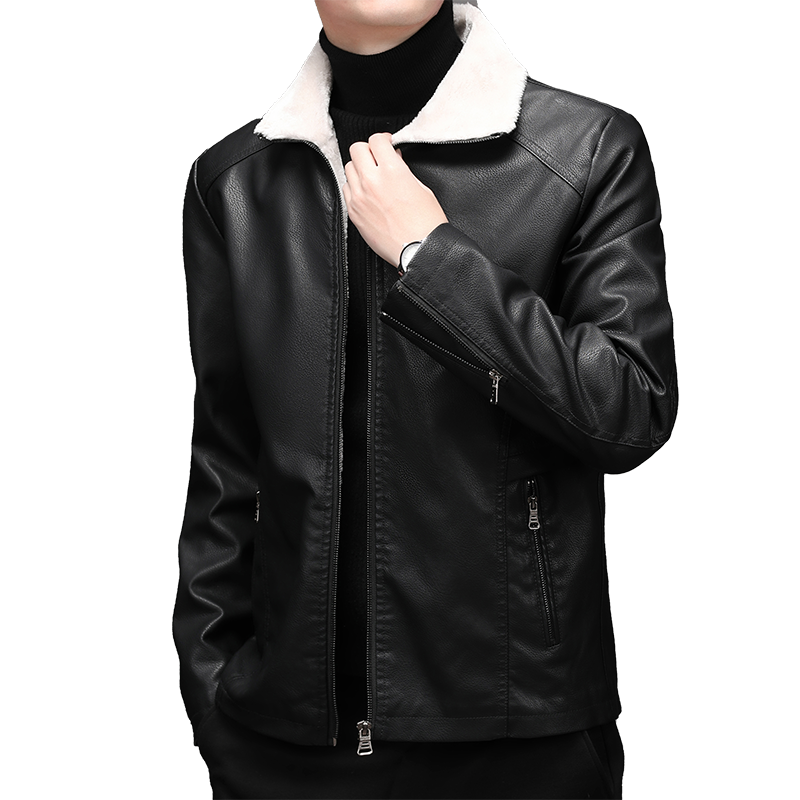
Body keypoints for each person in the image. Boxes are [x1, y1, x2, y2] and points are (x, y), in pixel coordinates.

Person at [173, 1, 678, 798]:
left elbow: (629, 409)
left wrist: (429, 256)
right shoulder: (233, 182)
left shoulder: (585, 150)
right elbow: (225, 472)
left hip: (522, 743)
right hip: (285, 749)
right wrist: (217, 708)